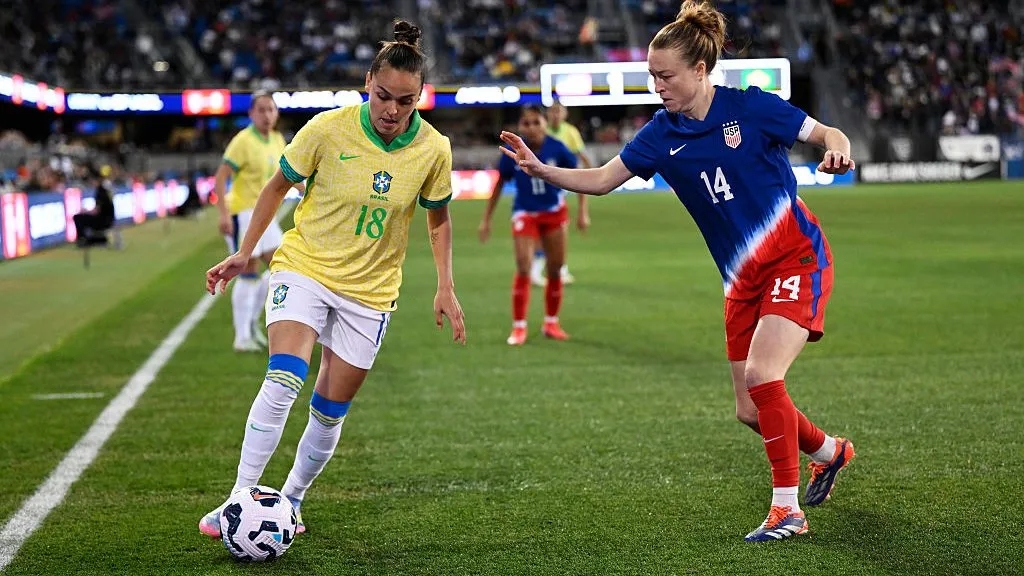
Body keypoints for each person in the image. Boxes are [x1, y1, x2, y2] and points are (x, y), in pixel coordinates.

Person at [499, 0, 856, 542]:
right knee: (749, 409)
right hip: (741, 282)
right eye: (651, 76)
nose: (657, 85)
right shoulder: (659, 135)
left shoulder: (752, 108)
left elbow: (828, 133)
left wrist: (840, 150)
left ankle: (788, 510)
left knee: (764, 377)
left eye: (665, 76)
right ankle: (830, 452)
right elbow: (601, 179)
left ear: (700, 70)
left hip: (796, 259)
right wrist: (538, 168)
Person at [200, 20, 466, 539]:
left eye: (406, 101)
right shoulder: (326, 129)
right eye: (383, 95)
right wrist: (245, 251)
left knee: (328, 411)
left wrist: (445, 285)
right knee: (282, 379)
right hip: (306, 267)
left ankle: (292, 501)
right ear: (367, 83)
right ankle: (238, 498)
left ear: (420, 97)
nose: (392, 110)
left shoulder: (434, 149)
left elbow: (437, 217)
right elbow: (277, 187)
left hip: (371, 292)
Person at [479, 105, 584, 345]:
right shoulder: (512, 151)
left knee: (555, 268)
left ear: (545, 124)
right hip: (525, 213)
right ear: (520, 127)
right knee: (524, 267)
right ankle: (519, 327)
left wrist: (583, 212)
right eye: (526, 123)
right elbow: (499, 184)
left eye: (536, 122)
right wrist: (486, 219)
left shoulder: (558, 148)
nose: (532, 128)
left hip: (554, 213)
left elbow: (578, 175)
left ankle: (551, 323)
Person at [214, 91, 300, 352]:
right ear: (251, 114)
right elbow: (221, 176)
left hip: (266, 215)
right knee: (248, 270)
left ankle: (252, 326)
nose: (267, 115)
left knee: (280, 268)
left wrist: (307, 187)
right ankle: (242, 337)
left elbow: (285, 175)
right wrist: (223, 213)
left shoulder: (276, 140)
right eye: (261, 110)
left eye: (271, 109)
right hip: (243, 212)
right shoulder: (242, 141)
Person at [529, 101, 592, 287]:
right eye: (553, 111)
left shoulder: (570, 132)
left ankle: (554, 266)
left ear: (564, 114)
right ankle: (543, 266)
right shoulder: (542, 130)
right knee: (548, 226)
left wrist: (593, 173)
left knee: (557, 225)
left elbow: (581, 156)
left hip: (562, 183)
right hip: (541, 184)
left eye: (559, 111)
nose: (555, 115)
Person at [73, 166, 115, 247]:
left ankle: (82, 240)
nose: (91, 182)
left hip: (104, 220)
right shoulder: (104, 190)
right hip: (108, 219)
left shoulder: (100, 192)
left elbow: (97, 210)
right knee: (82, 217)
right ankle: (97, 239)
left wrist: (85, 211)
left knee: (77, 217)